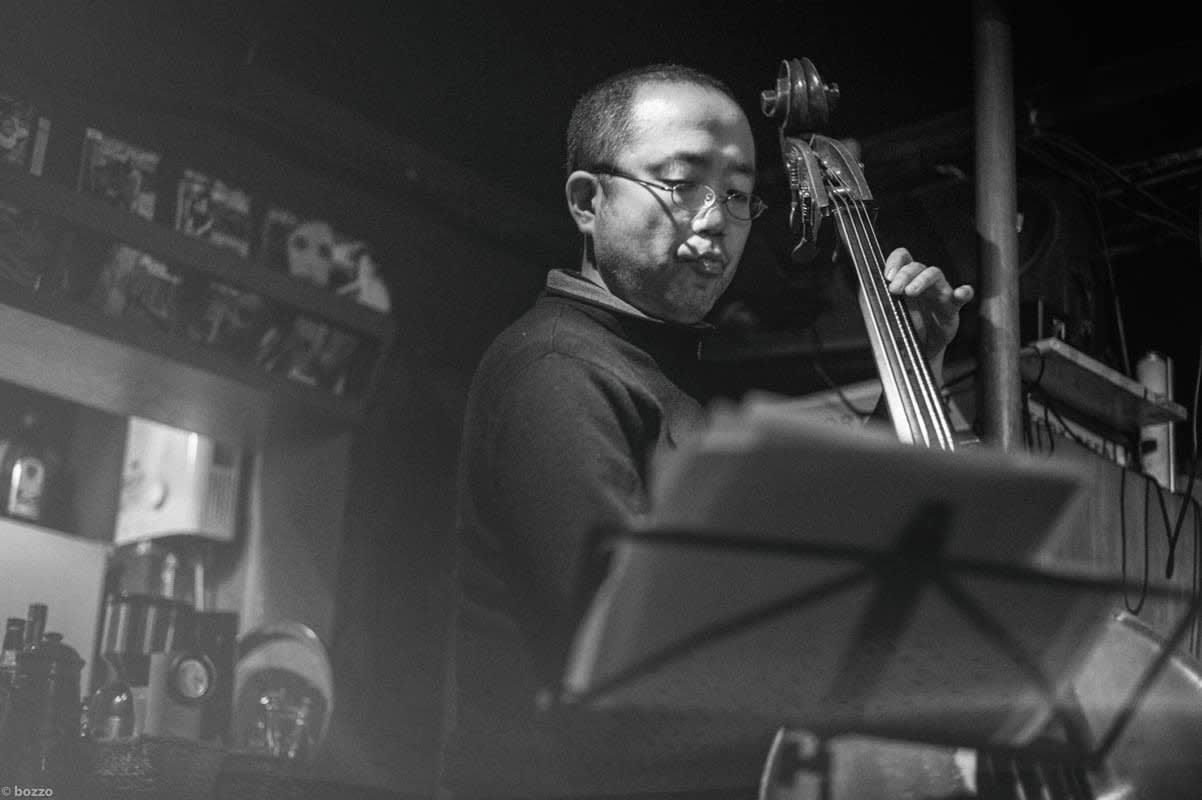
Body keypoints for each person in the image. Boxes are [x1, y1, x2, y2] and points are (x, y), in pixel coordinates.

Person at [441, 63, 975, 800]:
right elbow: (630, 662)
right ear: (588, 201)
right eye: (681, 182)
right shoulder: (557, 369)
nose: (715, 218)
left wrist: (914, 361)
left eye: (737, 195)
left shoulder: (667, 378)